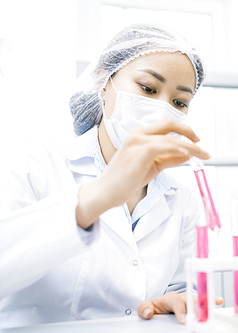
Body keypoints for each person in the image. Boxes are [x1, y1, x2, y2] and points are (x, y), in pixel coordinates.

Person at [0, 24, 222, 329]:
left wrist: (177, 301)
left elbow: (180, 287)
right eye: (147, 88)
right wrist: (98, 195)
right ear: (104, 82)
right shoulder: (34, 163)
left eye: (179, 102)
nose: (162, 109)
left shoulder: (180, 199)